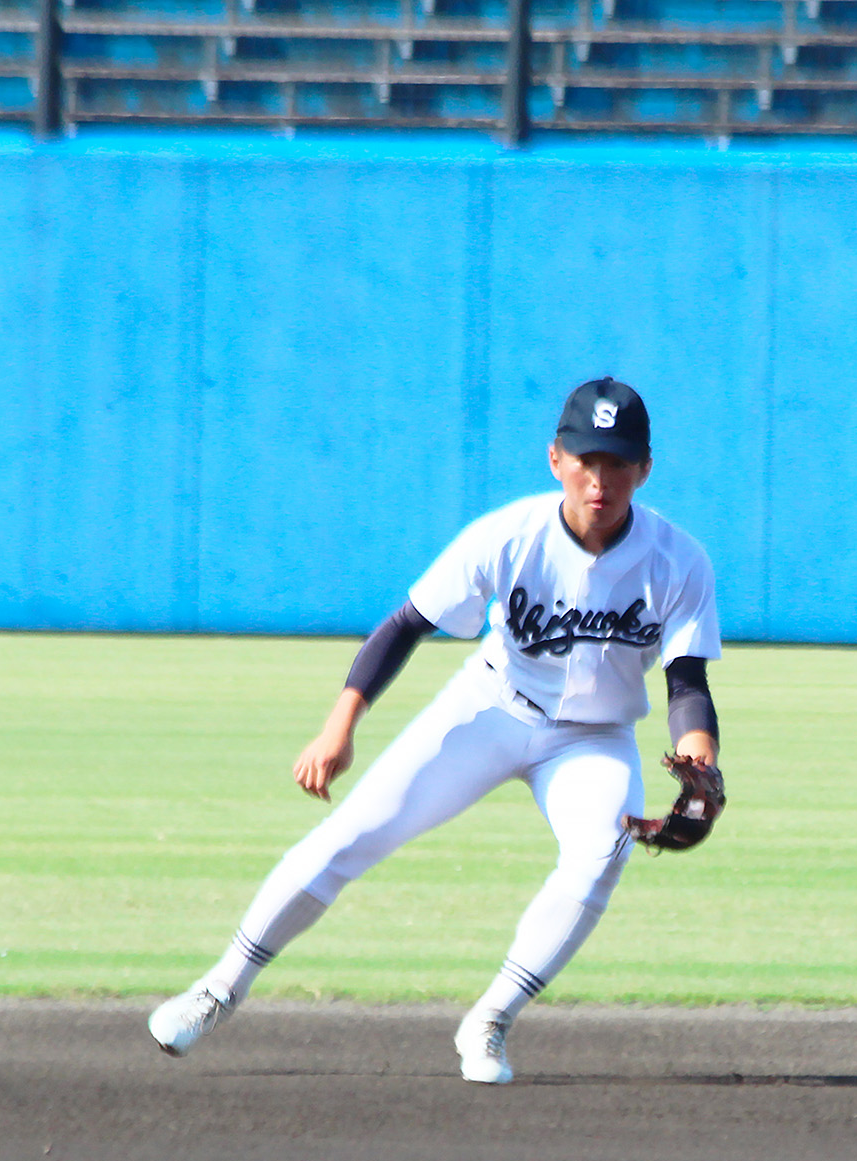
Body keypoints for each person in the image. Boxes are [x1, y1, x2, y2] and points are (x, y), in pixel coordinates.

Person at [148, 378, 723, 1083]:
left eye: (617, 462)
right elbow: (405, 625)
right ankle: (218, 988)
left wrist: (700, 765)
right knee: (353, 833)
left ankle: (491, 1021)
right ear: (555, 459)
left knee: (601, 852)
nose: (599, 480)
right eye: (585, 459)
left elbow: (687, 681)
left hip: (593, 737)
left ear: (645, 468)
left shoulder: (678, 560)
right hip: (490, 707)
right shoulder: (507, 537)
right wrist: (339, 727)